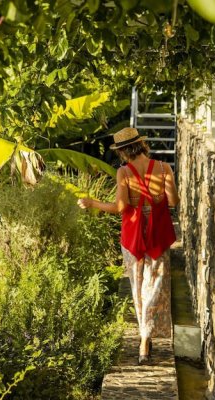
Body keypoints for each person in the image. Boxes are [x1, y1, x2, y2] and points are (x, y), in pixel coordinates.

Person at [78, 127, 179, 364]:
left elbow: (120, 208)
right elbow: (173, 201)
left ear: (123, 151)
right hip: (157, 233)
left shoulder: (124, 172)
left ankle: (144, 339)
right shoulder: (164, 168)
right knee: (155, 284)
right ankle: (146, 337)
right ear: (142, 145)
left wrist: (93, 203)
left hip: (133, 234)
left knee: (138, 284)